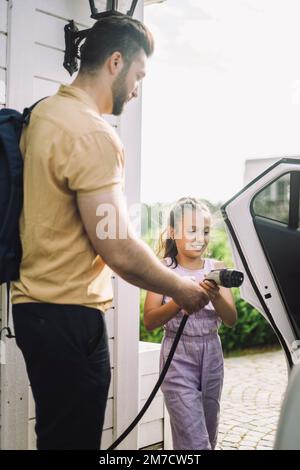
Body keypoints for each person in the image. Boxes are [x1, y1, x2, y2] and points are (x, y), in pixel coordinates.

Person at [11, 16, 209, 450]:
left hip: (33, 310)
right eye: (138, 74)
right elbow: (117, 247)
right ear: (116, 63)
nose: (138, 88)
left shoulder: (45, 113)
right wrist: (181, 289)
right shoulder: (93, 133)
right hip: (69, 314)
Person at [144, 197, 237, 450]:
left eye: (205, 231)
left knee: (208, 431)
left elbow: (230, 320)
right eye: (192, 230)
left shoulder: (216, 268)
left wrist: (216, 295)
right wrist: (179, 299)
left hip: (212, 354)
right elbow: (150, 320)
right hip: (177, 356)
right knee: (194, 441)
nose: (201, 237)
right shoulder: (163, 270)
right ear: (173, 233)